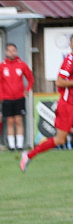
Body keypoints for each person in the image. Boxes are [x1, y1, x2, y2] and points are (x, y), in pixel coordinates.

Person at [21, 34, 73, 171]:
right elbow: (59, 81)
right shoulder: (70, 60)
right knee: (60, 140)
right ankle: (28, 155)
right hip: (68, 106)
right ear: (71, 45)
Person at [0, 43, 34, 151]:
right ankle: (11, 145)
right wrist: (1, 96)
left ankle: (20, 145)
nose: (12, 52)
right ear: (6, 52)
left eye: (14, 50)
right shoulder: (2, 66)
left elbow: (30, 79)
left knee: (18, 120)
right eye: (9, 50)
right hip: (7, 98)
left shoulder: (21, 64)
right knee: (10, 121)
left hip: (19, 97)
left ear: (16, 52)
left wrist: (26, 91)